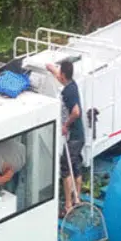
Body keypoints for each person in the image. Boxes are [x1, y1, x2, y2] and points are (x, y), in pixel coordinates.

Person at [46, 59, 85, 216]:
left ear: (63, 74)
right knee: (76, 165)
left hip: (73, 136)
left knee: (66, 167)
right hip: (79, 136)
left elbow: (76, 112)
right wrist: (50, 68)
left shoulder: (68, 92)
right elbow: (60, 77)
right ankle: (77, 199)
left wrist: (66, 125)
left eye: (59, 72)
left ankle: (68, 205)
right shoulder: (72, 84)